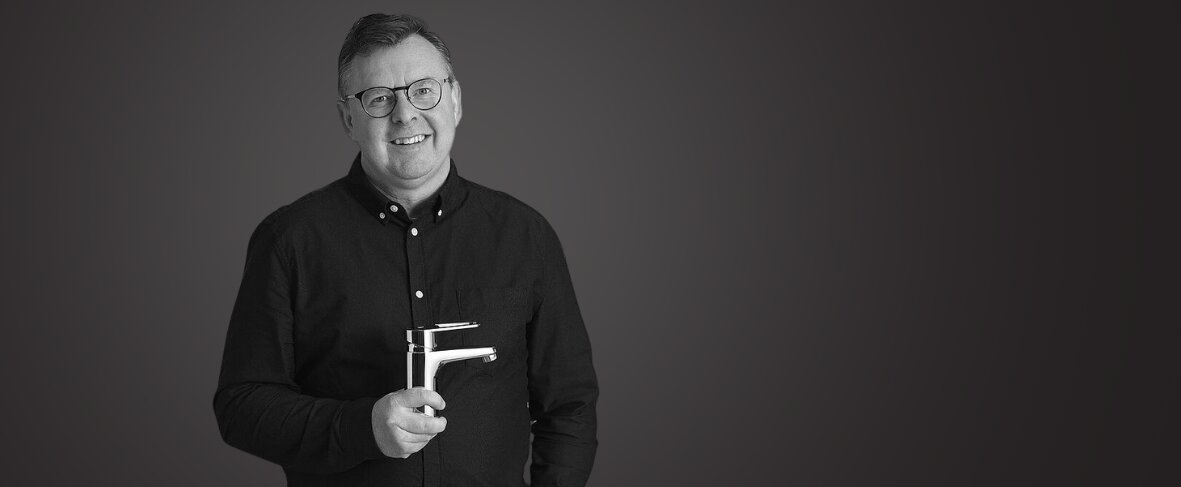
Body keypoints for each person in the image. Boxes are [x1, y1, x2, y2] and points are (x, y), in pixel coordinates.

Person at [213, 13, 598, 487]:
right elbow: (242, 406)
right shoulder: (289, 239)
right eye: (379, 98)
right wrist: (361, 428)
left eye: (423, 90)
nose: (405, 114)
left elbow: (569, 405)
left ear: (454, 100)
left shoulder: (526, 235)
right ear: (348, 119)